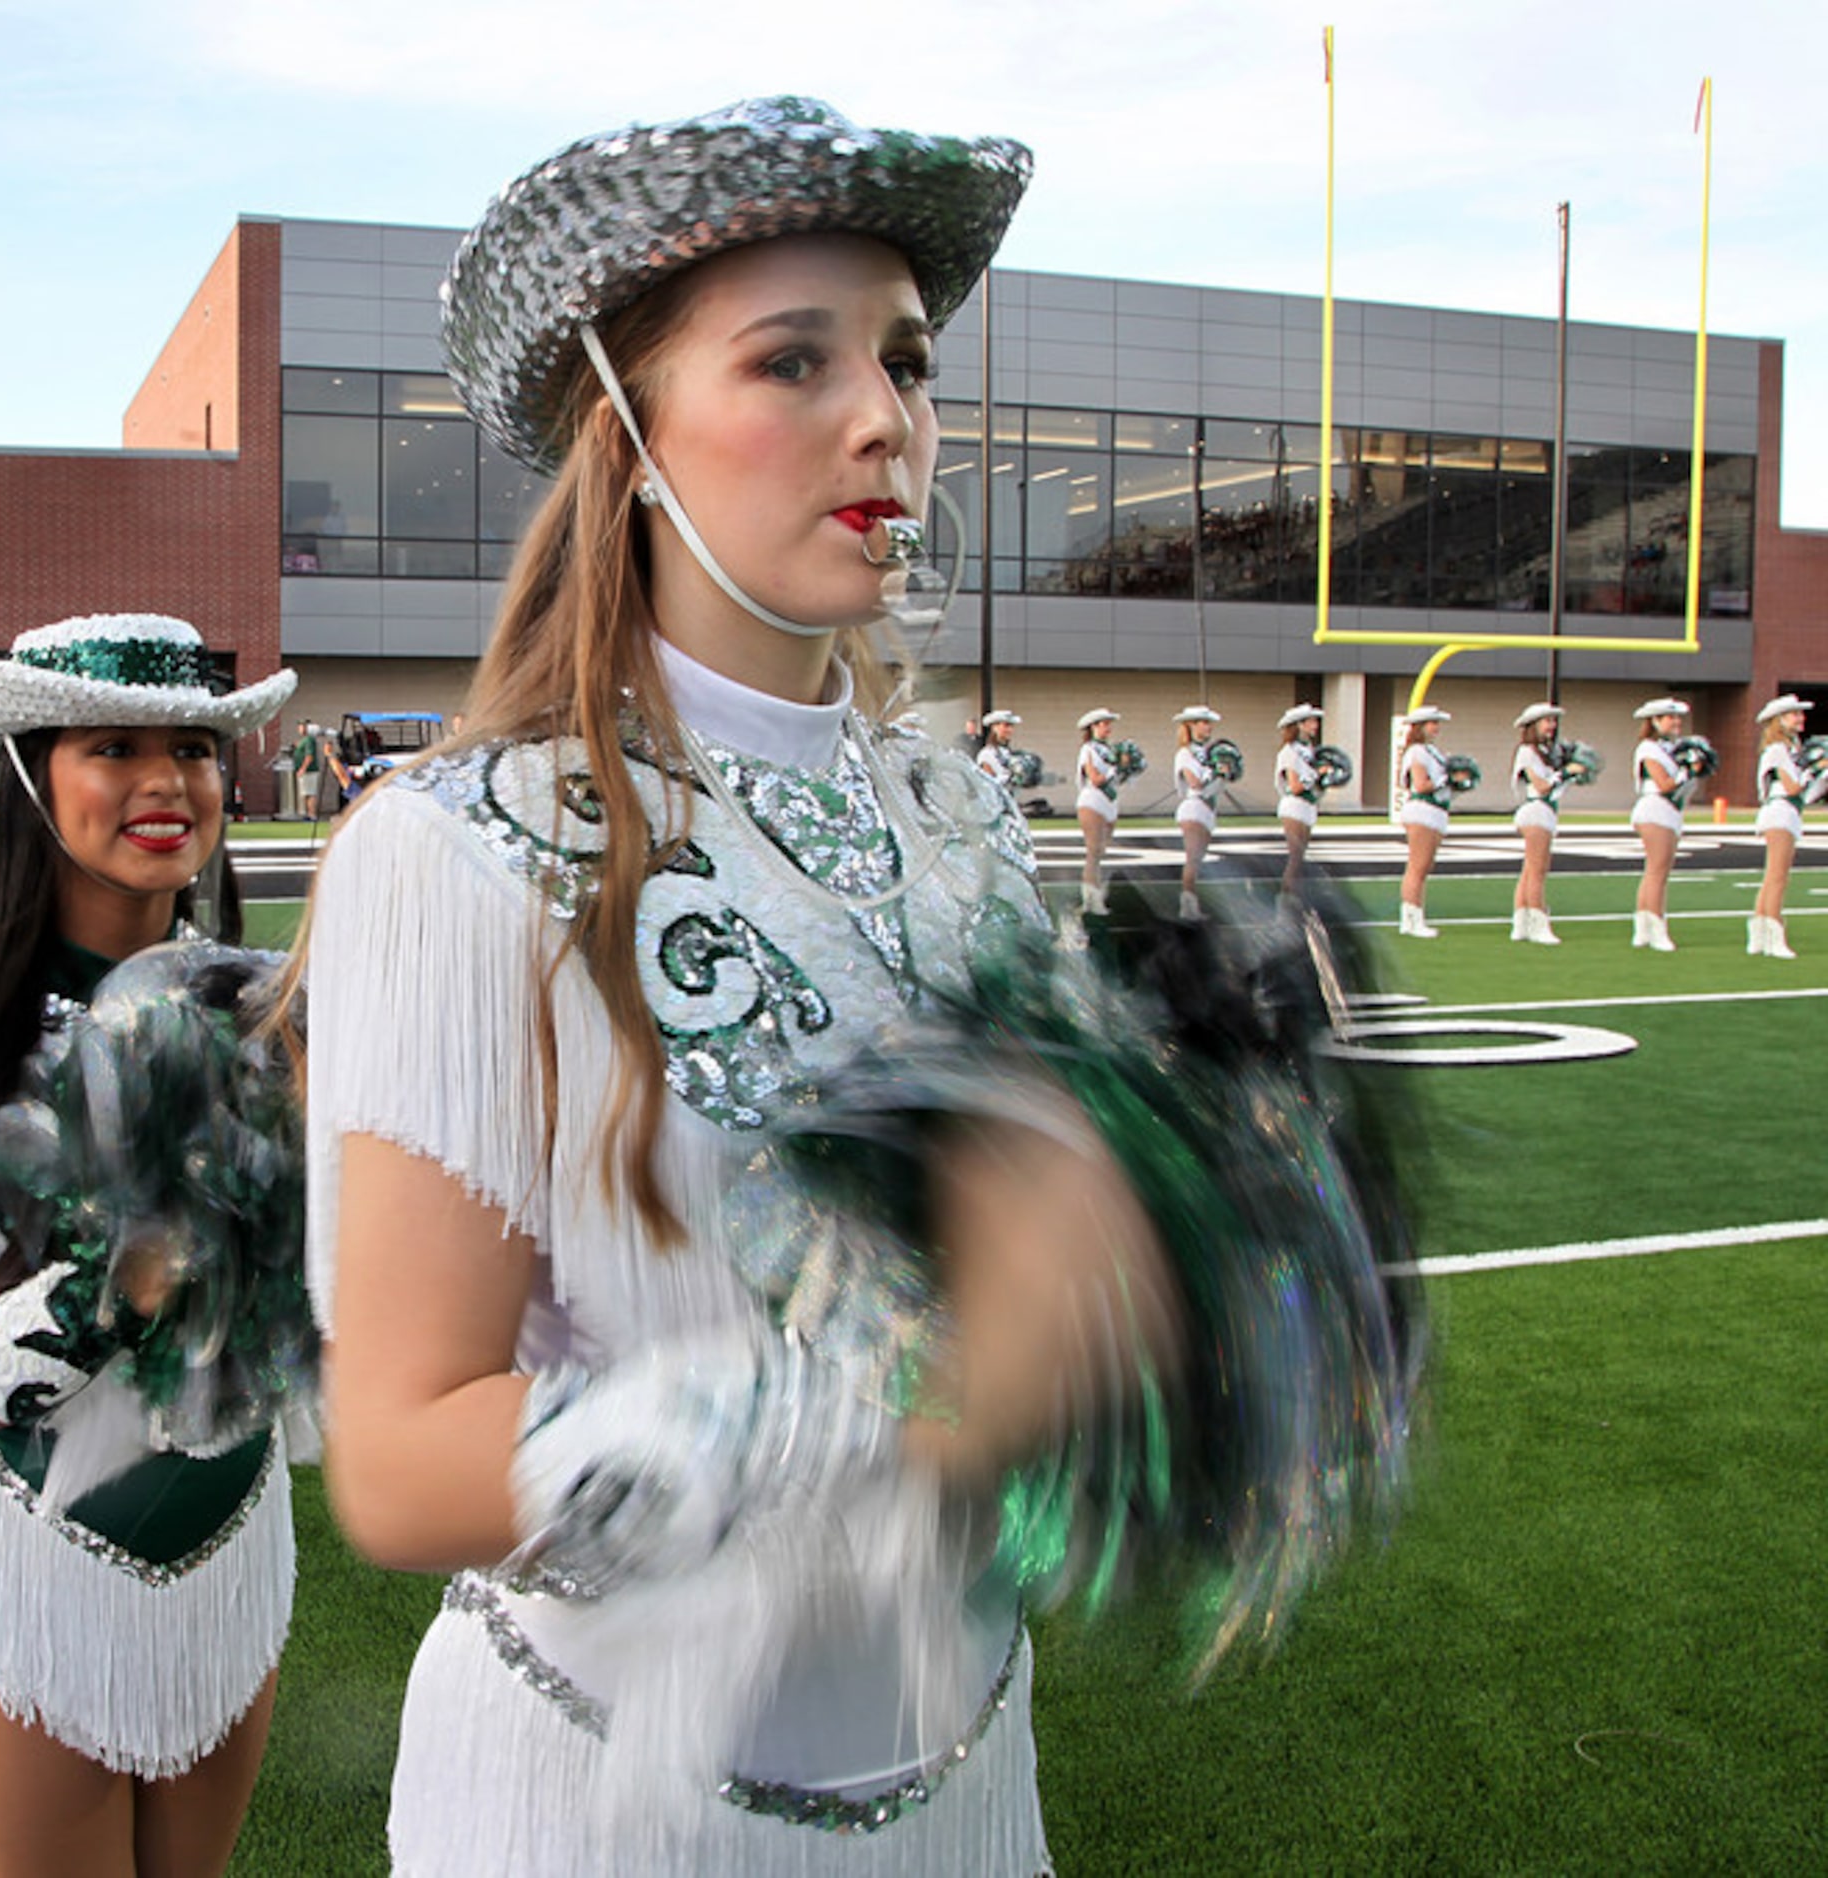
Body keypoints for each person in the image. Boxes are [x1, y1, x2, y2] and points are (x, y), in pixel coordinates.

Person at [300, 97, 1402, 1875]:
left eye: (903, 359)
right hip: (613, 1811)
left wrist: (1199, 1210)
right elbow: (405, 1457)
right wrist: (876, 1399)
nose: (884, 417)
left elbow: (1018, 1302)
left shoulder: (959, 813)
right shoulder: (457, 850)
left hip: (967, 1780)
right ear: (627, 424)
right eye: (791, 362)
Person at [0, 612, 300, 1876]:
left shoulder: (285, 1020)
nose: (168, 782)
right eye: (116, 746)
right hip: (30, 1566)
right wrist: (141, 1234)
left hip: (234, 1539)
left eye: (195, 749)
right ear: (31, 778)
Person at [1749, 695, 1813, 960]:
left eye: (1800, 714)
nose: (1800, 718)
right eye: (1793, 714)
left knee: (1772, 877)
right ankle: (1774, 938)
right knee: (1777, 877)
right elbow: (1793, 787)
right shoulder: (1777, 749)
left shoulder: (1789, 748)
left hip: (1785, 813)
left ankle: (1759, 934)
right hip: (1780, 813)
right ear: (1779, 720)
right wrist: (1817, 769)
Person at [1629, 698, 1694, 952]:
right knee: (1657, 872)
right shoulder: (1648, 748)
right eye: (1670, 717)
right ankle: (1656, 929)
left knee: (1655, 872)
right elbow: (1665, 783)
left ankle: (1644, 928)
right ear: (1654, 721)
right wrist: (1688, 769)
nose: (1676, 722)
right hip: (1655, 809)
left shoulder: (1671, 748)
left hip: (1668, 811)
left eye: (1678, 718)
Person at [1507, 703, 1567, 945]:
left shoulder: (1544, 751)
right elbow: (1541, 786)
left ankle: (1521, 924)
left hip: (1544, 811)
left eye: (1553, 721)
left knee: (1530, 870)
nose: (1551, 726)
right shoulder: (1527, 751)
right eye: (1546, 721)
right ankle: (1539, 925)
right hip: (1535, 811)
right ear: (1533, 725)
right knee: (1538, 871)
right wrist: (1565, 773)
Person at [1393, 705, 1451, 939]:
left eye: (1436, 723)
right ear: (1419, 727)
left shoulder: (1431, 751)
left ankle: (1415, 916)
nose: (1436, 727)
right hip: (1422, 810)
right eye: (1431, 723)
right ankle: (1410, 919)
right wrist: (1448, 779)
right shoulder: (1416, 751)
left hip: (1436, 811)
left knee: (1424, 867)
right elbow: (1421, 784)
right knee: (1417, 866)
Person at [1170, 706, 1222, 917]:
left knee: (1198, 860)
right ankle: (1187, 906)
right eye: (1203, 722)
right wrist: (1217, 772)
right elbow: (1195, 782)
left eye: (1209, 723)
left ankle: (1192, 904)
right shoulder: (1185, 753)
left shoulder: (1208, 751)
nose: (1208, 727)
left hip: (1208, 808)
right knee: (1192, 858)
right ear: (1191, 725)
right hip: (1194, 808)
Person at [1273, 703, 1324, 896]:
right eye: (1310, 721)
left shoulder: (1309, 749)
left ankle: (1295, 898)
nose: (1315, 724)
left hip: (1308, 806)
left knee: (1300, 857)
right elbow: (1294, 786)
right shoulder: (1289, 751)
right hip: (1294, 806)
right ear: (1299, 725)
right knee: (1295, 857)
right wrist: (1316, 775)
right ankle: (1285, 902)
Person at [1074, 707, 1121, 916]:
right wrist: (1115, 769)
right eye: (1103, 724)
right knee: (1093, 851)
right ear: (1093, 727)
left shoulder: (1109, 750)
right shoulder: (1088, 749)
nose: (1108, 728)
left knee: (1101, 852)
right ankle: (1090, 899)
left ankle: (1096, 894)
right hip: (1092, 800)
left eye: (1109, 724)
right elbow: (1095, 778)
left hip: (1110, 802)